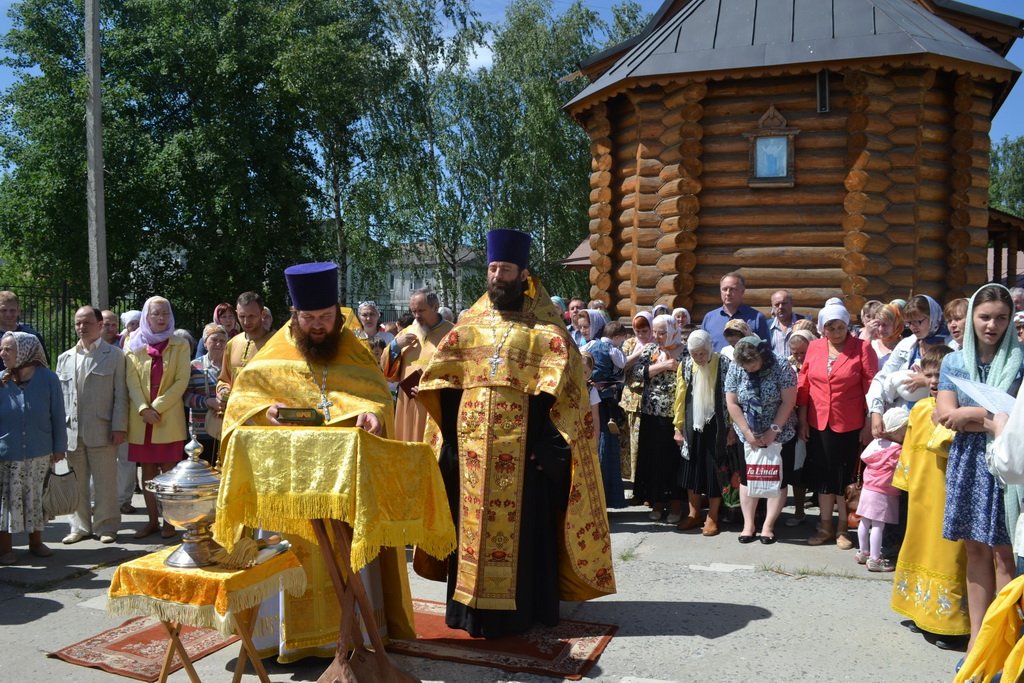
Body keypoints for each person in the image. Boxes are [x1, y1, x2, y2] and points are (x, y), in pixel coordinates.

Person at [418, 229, 615, 638]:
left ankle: (525, 613)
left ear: (523, 274)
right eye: (492, 268)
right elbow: (445, 384)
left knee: (525, 539)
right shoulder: (468, 326)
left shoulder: (546, 332)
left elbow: (568, 396)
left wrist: (547, 449)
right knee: (467, 531)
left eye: (504, 269)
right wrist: (449, 442)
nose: (496, 276)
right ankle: (467, 612)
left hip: (526, 460)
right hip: (471, 459)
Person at [217, 261, 416, 661]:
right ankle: (284, 636)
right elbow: (241, 403)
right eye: (310, 318)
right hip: (287, 481)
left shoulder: (355, 351)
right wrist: (264, 412)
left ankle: (353, 633)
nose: (320, 326)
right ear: (295, 315)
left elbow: (377, 395)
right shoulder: (272, 352)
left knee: (344, 554)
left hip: (342, 479)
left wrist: (374, 416)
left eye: (326, 317)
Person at [936, 283, 1023, 654]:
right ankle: (976, 638)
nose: (992, 325)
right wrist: (990, 419)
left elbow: (1017, 421)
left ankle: (1002, 640)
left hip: (1008, 466)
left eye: (1001, 318)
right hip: (970, 463)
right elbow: (944, 416)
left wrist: (972, 413)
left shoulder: (1020, 362)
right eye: (985, 317)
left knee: (1005, 553)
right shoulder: (953, 362)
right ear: (971, 316)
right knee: (975, 551)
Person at [890, 345, 969, 648]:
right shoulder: (921, 409)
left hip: (947, 495)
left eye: (941, 375)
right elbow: (909, 450)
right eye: (930, 375)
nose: (935, 381)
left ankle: (949, 623)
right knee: (918, 545)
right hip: (922, 494)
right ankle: (918, 609)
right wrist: (905, 483)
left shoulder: (955, 414)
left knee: (948, 554)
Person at [797, 300, 877, 548]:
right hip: (818, 423)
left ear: (847, 326)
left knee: (843, 479)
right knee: (822, 477)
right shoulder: (815, 348)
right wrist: (802, 419)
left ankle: (843, 528)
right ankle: (825, 526)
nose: (836, 332)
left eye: (840, 327)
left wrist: (868, 423)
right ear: (822, 328)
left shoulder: (862, 348)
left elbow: (872, 388)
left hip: (849, 424)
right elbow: (804, 384)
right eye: (830, 328)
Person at [55, 306, 128, 545]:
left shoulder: (115, 355)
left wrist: (119, 426)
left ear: (100, 325)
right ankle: (79, 526)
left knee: (105, 481)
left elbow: (120, 395)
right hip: (72, 431)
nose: (81, 327)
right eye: (77, 323)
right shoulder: (64, 358)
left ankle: (106, 526)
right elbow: (58, 399)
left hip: (103, 430)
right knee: (76, 482)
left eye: (86, 322)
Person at [124, 296, 190, 539]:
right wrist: (143, 408)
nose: (161, 318)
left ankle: (169, 522)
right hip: (142, 421)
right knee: (148, 473)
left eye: (164, 313)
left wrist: (157, 407)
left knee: (169, 474)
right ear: (146, 316)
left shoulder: (180, 344)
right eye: (156, 314)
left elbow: (181, 380)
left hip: (166, 418)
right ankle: (151, 521)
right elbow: (130, 379)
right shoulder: (132, 342)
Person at [0, 332, 66, 565]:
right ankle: (5, 548)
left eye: (8, 349)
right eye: (2, 349)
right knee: (6, 501)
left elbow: (58, 414)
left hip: (40, 451)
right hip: (7, 453)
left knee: (36, 498)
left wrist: (60, 448)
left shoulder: (48, 379)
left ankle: (36, 542)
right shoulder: (2, 381)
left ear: (25, 351)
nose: (2, 354)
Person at [726, 336, 798, 545]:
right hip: (747, 434)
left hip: (779, 432)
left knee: (776, 478)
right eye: (745, 366)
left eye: (753, 365)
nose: (749, 370)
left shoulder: (781, 365)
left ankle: (768, 525)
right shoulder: (736, 366)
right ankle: (749, 524)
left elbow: (788, 401)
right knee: (748, 478)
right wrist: (747, 432)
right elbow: (732, 401)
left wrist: (773, 431)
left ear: (763, 357)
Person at [673, 330, 732, 536]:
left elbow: (731, 397)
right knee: (692, 469)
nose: (699, 358)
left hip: (717, 426)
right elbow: (681, 397)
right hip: (692, 425)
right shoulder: (686, 365)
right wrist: (677, 427)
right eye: (695, 354)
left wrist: (732, 428)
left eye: (702, 353)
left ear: (709, 349)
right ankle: (693, 513)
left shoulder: (724, 364)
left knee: (714, 470)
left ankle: (713, 516)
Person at [381, 288, 453, 443]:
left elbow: (459, 373)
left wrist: (431, 389)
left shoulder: (452, 333)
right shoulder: (406, 333)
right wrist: (395, 346)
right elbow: (388, 373)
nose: (416, 316)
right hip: (406, 403)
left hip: (435, 404)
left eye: (421, 310)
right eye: (413, 311)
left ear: (435, 307)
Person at [632, 314, 686, 524]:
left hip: (675, 414)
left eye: (662, 332)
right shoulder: (650, 350)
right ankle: (656, 501)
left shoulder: (685, 351)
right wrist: (662, 366)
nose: (658, 336)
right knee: (653, 459)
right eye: (655, 332)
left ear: (673, 330)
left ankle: (674, 503)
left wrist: (676, 365)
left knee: (672, 460)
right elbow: (636, 373)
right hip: (651, 412)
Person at [868, 295, 945, 438]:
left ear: (934, 317)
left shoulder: (952, 346)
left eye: (918, 321)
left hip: (935, 423)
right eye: (909, 322)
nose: (913, 327)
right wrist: (876, 412)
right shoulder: (907, 345)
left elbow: (958, 384)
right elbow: (882, 378)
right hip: (902, 424)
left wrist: (927, 379)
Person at [854, 406, 908, 572]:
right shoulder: (897, 451)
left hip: (868, 489)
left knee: (864, 521)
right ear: (896, 430)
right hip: (884, 493)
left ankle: (863, 551)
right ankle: (875, 559)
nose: (907, 434)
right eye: (905, 430)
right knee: (878, 526)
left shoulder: (876, 444)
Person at [583, 320, 628, 509]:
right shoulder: (612, 349)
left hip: (593, 395)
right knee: (606, 441)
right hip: (605, 399)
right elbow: (622, 363)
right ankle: (608, 494)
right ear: (617, 337)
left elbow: (581, 352)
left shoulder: (591, 344)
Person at [216, 292, 271, 412]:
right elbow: (224, 379)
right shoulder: (232, 344)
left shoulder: (275, 343)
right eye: (242, 316)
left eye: (251, 316)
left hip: (264, 415)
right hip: (235, 414)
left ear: (262, 314)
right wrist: (222, 390)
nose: (246, 322)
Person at [184, 323, 227, 464]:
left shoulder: (231, 368)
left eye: (222, 340)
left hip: (226, 429)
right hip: (200, 432)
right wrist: (208, 402)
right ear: (205, 343)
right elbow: (186, 397)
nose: (218, 344)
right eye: (214, 340)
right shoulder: (194, 366)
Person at [785, 329, 815, 527]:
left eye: (803, 352)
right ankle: (798, 511)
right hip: (792, 423)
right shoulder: (787, 365)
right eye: (795, 352)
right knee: (797, 468)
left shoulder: (818, 363)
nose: (799, 357)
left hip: (816, 420)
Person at [621, 311, 654, 483]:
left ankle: (644, 482)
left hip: (649, 399)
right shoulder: (630, 343)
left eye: (644, 331)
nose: (641, 335)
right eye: (637, 331)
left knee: (644, 442)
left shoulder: (657, 344)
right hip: (631, 399)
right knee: (631, 442)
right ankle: (632, 481)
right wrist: (639, 353)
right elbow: (622, 365)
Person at [701, 273, 770, 353]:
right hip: (716, 365)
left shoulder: (757, 318)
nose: (728, 293)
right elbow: (702, 347)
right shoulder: (709, 318)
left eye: (732, 289)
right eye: (724, 289)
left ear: (742, 291)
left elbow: (766, 350)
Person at [0, 291, 46, 369]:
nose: (8, 314)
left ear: (18, 311)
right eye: (3, 310)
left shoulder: (31, 336)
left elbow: (42, 364)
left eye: (12, 310)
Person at [768, 289, 804, 358]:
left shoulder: (804, 322)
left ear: (791, 304)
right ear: (772, 306)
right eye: (777, 304)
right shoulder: (766, 327)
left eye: (784, 303)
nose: (780, 307)